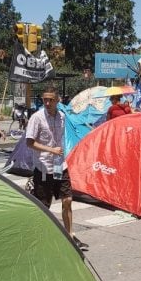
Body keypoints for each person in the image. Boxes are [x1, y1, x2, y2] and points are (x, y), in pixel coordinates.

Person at [25, 87, 87, 251]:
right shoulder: (36, 118)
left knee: (67, 200)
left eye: (51, 99)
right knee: (44, 206)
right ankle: (40, 237)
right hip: (43, 167)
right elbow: (29, 143)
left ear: (57, 100)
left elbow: (62, 139)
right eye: (45, 99)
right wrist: (51, 150)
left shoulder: (61, 116)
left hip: (60, 165)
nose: (47, 102)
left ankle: (70, 235)